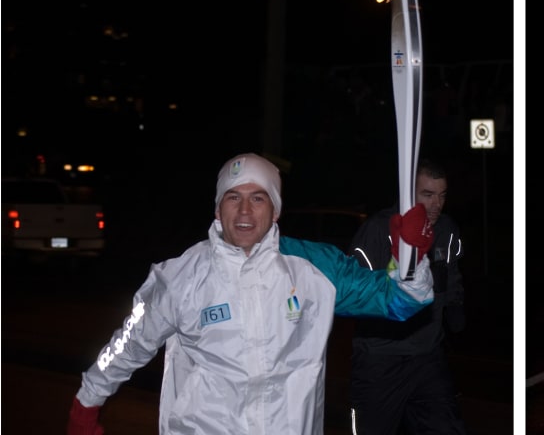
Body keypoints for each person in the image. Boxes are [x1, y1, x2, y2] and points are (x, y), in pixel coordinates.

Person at [66, 152, 436, 435]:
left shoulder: (313, 269)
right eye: (233, 197)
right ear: (217, 208)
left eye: (258, 198)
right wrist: (87, 401)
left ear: (275, 210)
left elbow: (402, 301)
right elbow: (129, 343)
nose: (244, 210)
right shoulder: (179, 277)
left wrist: (411, 257)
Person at [346, 158, 467, 434]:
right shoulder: (378, 230)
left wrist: (454, 303)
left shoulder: (446, 230)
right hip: (380, 360)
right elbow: (353, 288)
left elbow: (452, 275)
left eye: (442, 195)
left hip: (427, 357)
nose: (436, 204)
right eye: (427, 195)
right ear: (408, 193)